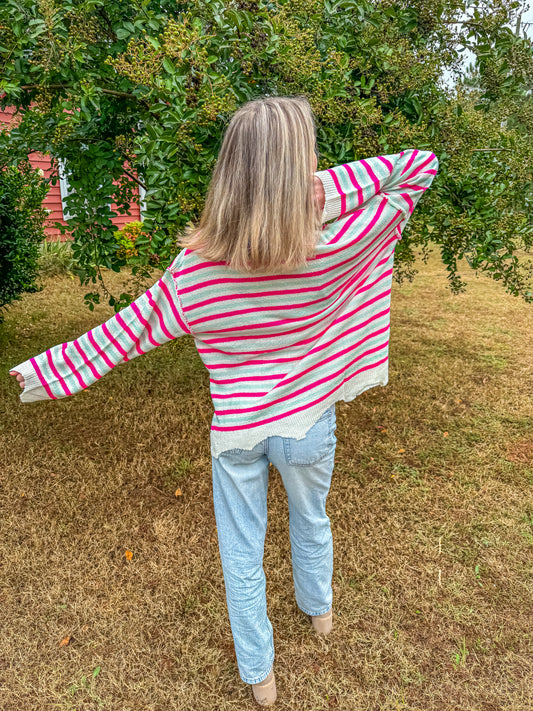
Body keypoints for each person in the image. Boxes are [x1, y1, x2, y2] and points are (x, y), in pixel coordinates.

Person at [9, 96, 439, 706]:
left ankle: (261, 680)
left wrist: (41, 375)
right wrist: (312, 197)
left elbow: (120, 336)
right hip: (309, 420)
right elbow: (419, 167)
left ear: (229, 171)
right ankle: (320, 616)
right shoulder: (341, 239)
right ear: (302, 166)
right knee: (311, 518)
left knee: (242, 553)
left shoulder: (195, 270)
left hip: (237, 432)